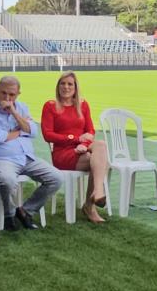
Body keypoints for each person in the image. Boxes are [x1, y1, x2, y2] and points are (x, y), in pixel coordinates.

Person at [0, 75, 62, 231]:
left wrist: (15, 113)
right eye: (3, 93)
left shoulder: (22, 107)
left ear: (18, 94)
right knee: (7, 179)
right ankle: (9, 215)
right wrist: (19, 130)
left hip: (26, 157)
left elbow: (33, 131)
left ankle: (25, 211)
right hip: (2, 159)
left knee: (56, 178)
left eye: (12, 95)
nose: (7, 98)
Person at [41, 72, 109, 223]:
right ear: (58, 86)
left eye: (70, 84)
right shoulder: (50, 106)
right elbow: (48, 135)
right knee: (102, 164)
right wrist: (74, 139)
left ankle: (95, 195)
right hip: (62, 153)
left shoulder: (83, 105)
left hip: (81, 150)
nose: (66, 87)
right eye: (63, 83)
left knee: (101, 145)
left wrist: (83, 145)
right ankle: (90, 206)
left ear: (75, 87)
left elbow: (90, 131)